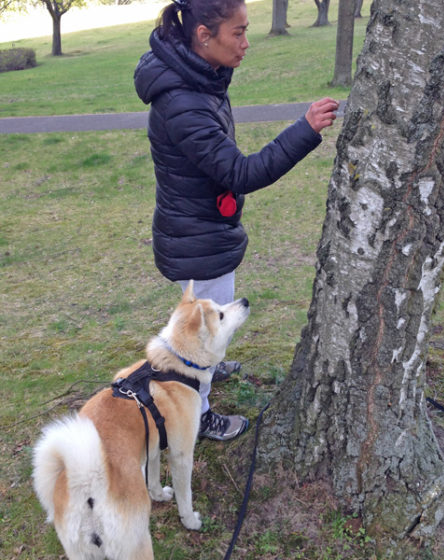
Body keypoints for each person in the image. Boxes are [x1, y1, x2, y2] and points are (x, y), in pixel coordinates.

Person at [134, 0, 338, 441]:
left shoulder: (195, 76)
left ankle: (207, 368)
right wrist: (305, 128)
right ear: (204, 36)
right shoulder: (182, 101)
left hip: (200, 229)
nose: (247, 44)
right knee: (200, 338)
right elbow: (241, 172)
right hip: (197, 242)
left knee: (204, 325)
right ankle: (197, 414)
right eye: (238, 33)